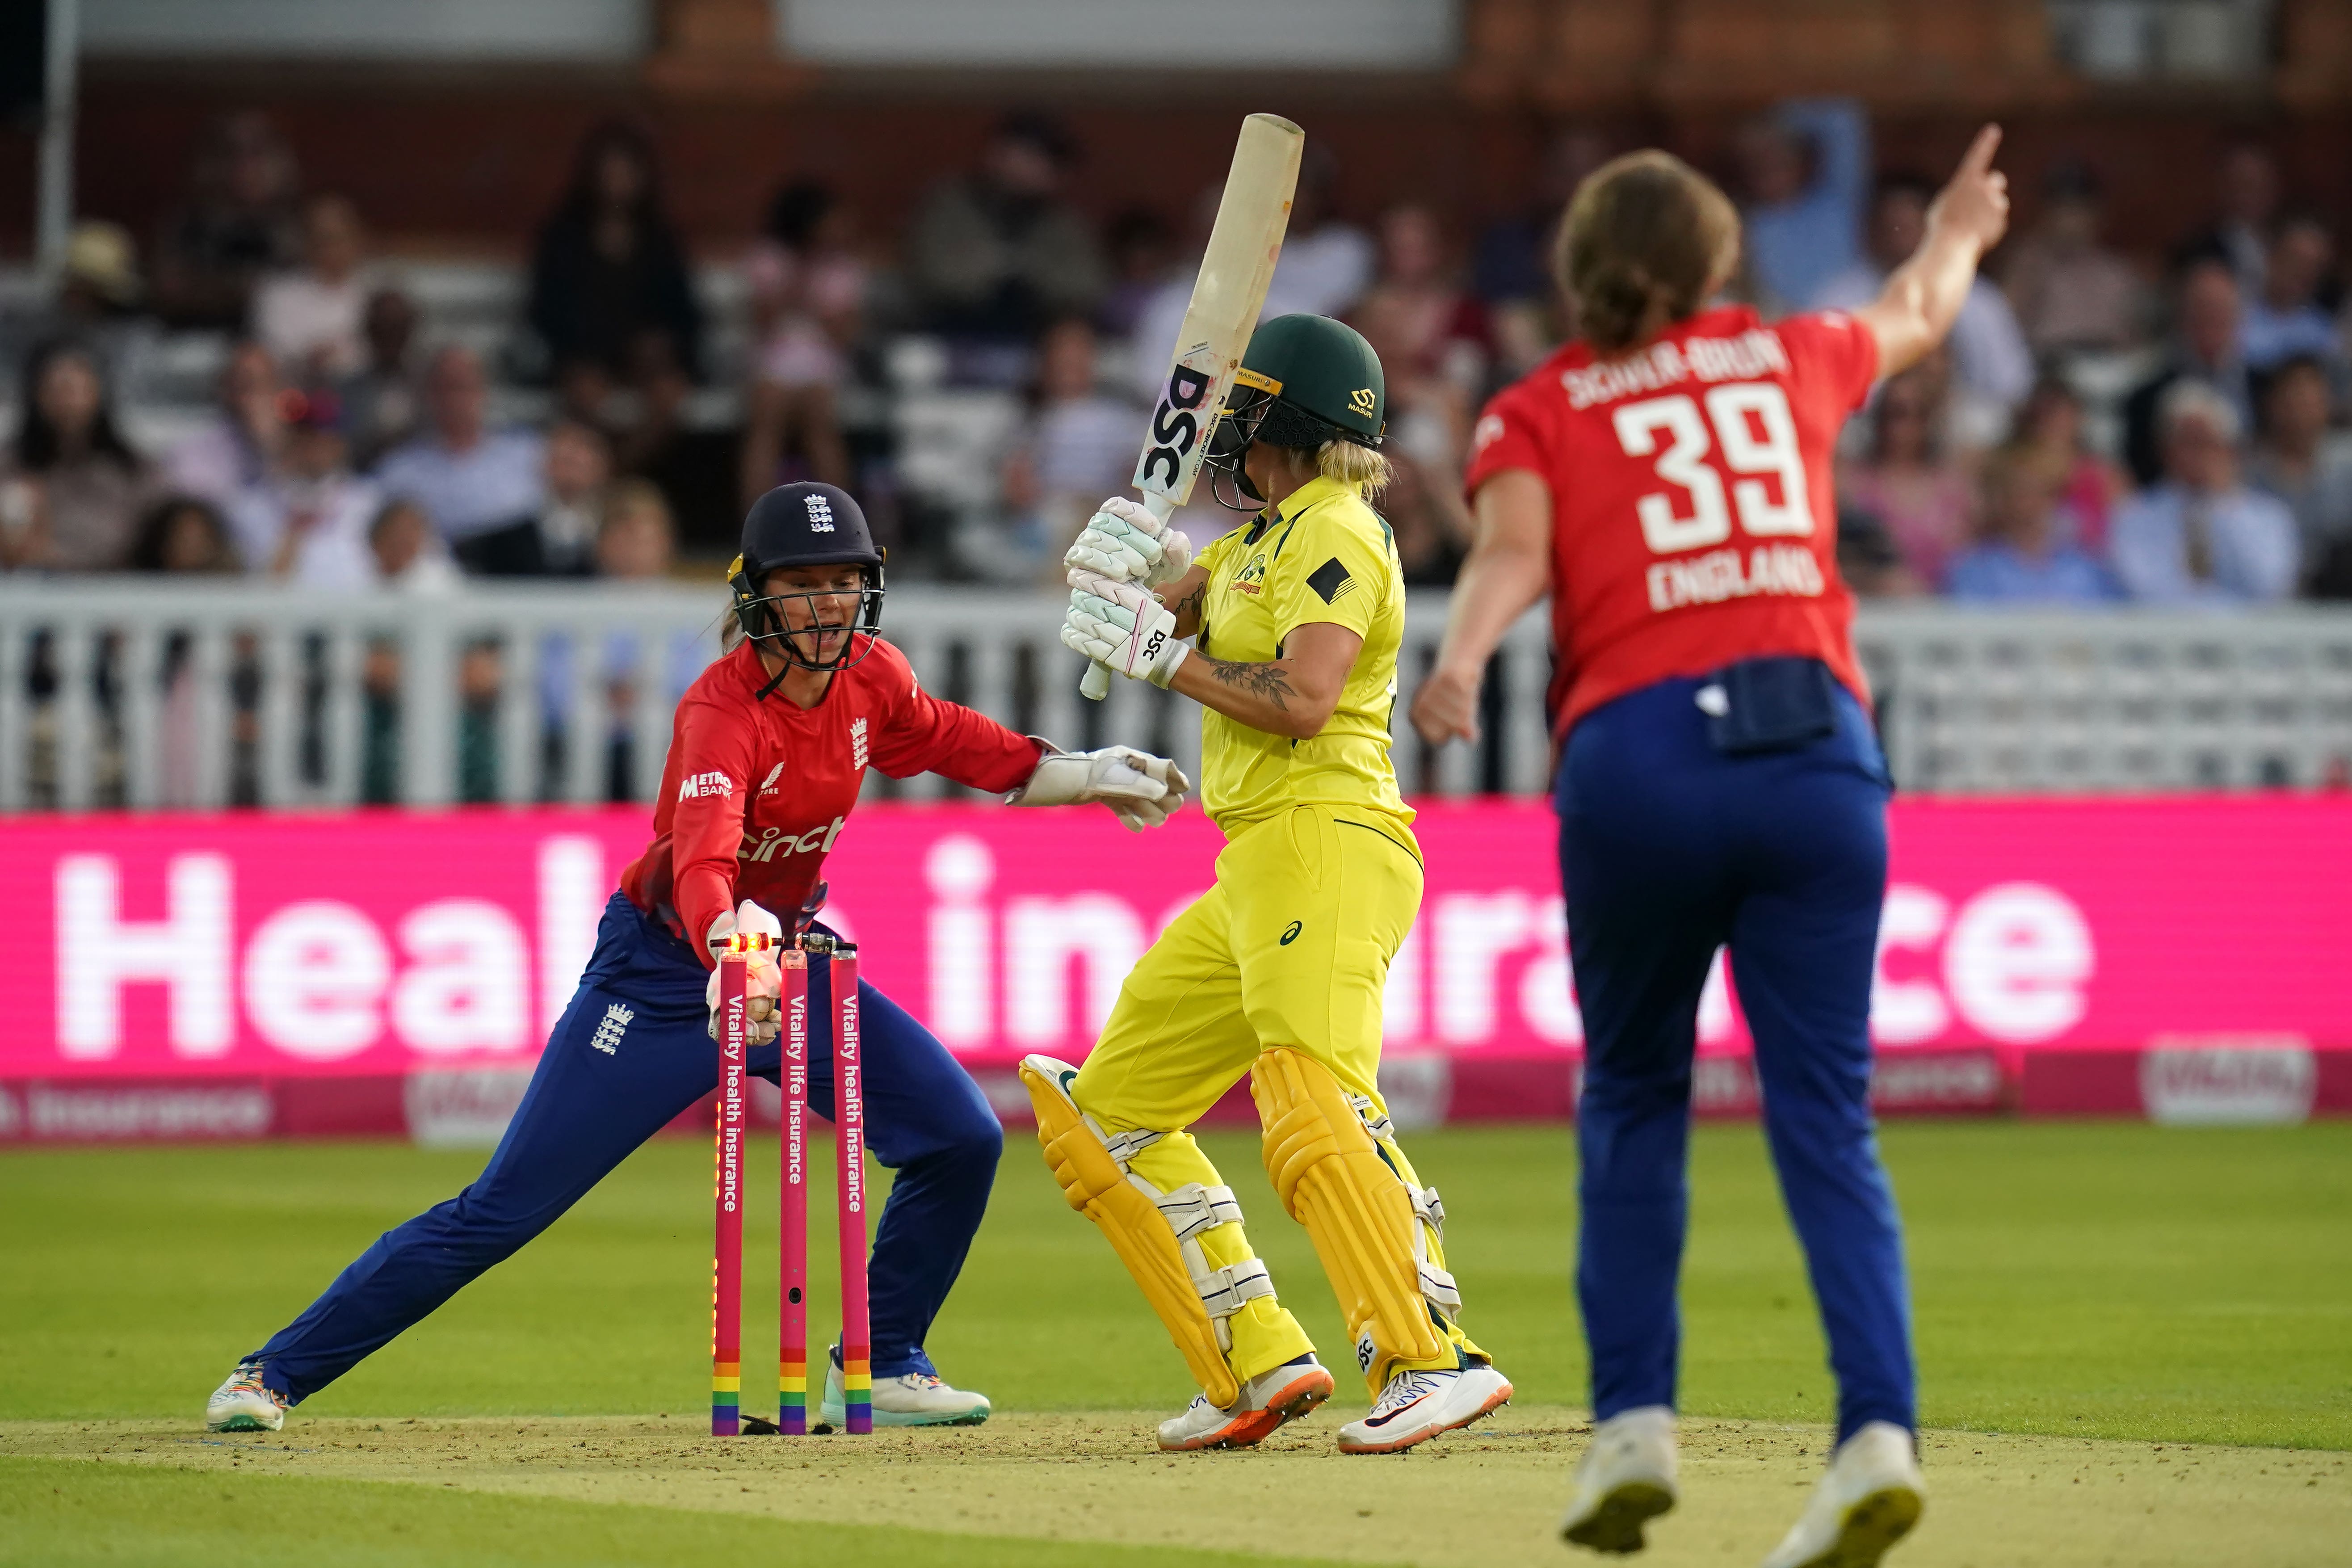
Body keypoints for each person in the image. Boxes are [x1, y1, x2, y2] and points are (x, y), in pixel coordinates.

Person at [206, 481, 1193, 1436]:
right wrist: (732, 949)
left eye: (845, 581)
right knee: (502, 1208)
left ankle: (884, 1359)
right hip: (670, 972)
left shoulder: (872, 674)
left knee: (956, 1135)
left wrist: (1082, 772)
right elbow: (706, 851)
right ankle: (272, 1370)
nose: (828, 604)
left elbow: (942, 737)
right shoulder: (722, 709)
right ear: (756, 595)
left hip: (797, 965)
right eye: (805, 584)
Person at [1412, 128, 2013, 1564]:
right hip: (1813, 750)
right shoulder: (1792, 352)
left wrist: (1458, 660)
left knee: (1630, 1091)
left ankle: (1631, 1428)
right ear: (1718, 264)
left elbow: (1509, 555)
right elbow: (1922, 310)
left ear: (1575, 272)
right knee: (1828, 1113)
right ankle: (1874, 1431)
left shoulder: (1535, 405)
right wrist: (1956, 226)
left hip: (1641, 756)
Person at [1045, 314, 1515, 1457]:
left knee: (1308, 1097)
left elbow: (1302, 702)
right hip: (1253, 859)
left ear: (1284, 423)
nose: (1228, 432)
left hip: (1328, 836)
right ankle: (1256, 1358)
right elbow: (1174, 616)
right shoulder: (1261, 539)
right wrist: (1125, 569)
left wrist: (1160, 651)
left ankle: (1433, 1358)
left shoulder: (1339, 533)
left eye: (1245, 412)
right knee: (1104, 1115)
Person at [1814, 173, 2033, 448]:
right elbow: (1818, 389)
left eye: (1909, 226)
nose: (1900, 236)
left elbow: (2012, 388)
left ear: (1931, 226)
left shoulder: (1979, 298)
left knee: (1984, 423)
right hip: (1869, 428)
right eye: (1892, 226)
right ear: (1870, 229)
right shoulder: (1836, 297)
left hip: (1954, 427)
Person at [904, 111, 1107, 349]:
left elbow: (1088, 286)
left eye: (1050, 163)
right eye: (1029, 157)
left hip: (1035, 345)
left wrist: (1030, 271)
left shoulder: (1062, 222)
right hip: (950, 336)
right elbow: (934, 274)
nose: (1039, 170)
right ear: (997, 153)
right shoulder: (950, 205)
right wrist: (998, 267)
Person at [527, 120, 705, 388]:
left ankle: (644, 433)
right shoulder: (564, 239)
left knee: (667, 390)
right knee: (586, 387)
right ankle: (592, 432)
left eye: (626, 172)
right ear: (592, 176)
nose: (617, 181)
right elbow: (549, 308)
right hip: (583, 354)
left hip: (646, 360)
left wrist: (662, 342)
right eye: (610, 172)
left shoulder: (660, 239)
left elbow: (681, 308)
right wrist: (582, 348)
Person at [2109, 380, 2299, 606]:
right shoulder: (2134, 515)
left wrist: (2223, 506)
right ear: (2166, 450)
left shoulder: (2270, 517)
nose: (2197, 455)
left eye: (2207, 443)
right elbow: (2144, 591)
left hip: (2248, 635)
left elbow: (2269, 586)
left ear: (2230, 450)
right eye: (2187, 442)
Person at [739, 179, 863, 498]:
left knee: (819, 422)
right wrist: (792, 285)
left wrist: (814, 303)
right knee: (767, 420)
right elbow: (760, 322)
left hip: (822, 362)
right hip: (774, 359)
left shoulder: (842, 268)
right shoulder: (769, 259)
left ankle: (839, 521)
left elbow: (845, 335)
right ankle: (755, 521)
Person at [0, 338, 155, 572]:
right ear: (35, 395)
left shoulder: (134, 471)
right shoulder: (10, 466)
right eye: (56, 389)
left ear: (100, 394)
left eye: (77, 389)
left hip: (117, 594)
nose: (67, 402)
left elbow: (159, 545)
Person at [375, 345, 546, 551]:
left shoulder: (527, 455)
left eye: (464, 387)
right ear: (428, 395)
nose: (455, 400)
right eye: (445, 388)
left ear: (484, 391)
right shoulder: (398, 469)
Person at [150, 111, 304, 330]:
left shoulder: (293, 224)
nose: (245, 167)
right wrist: (234, 290)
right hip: (196, 336)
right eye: (232, 154)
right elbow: (170, 289)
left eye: (257, 154)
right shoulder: (188, 225)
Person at [1836, 361, 1975, 588]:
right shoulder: (1852, 485)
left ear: (1927, 421)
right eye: (1890, 414)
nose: (1896, 428)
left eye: (1909, 415)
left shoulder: (1954, 490)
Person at [224, 387, 378, 589]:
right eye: (301, 437)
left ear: (340, 445)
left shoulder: (369, 504)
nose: (311, 449)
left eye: (320, 438)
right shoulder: (248, 509)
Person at [2120, 258, 2251, 487]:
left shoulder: (2264, 388)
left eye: (2222, 309)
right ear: (2183, 316)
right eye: (2204, 308)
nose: (2213, 318)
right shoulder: (2145, 400)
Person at [1733, 97, 1869, 313]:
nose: (1773, 171)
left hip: (1853, 314)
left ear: (1800, 162)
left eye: (1781, 161)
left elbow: (1844, 120)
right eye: (1762, 165)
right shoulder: (1749, 226)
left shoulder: (1834, 202)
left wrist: (1781, 117)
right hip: (1794, 329)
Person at [1999, 161, 2147, 354]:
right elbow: (2002, 327)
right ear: (2044, 213)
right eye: (2063, 210)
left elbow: (2138, 338)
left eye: (2080, 210)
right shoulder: (2027, 264)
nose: (2071, 221)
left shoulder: (2118, 272)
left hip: (2110, 366)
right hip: (2047, 364)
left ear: (2098, 214)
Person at [1943, 445, 2118, 604]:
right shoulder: (1974, 569)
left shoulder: (2087, 568)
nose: (2029, 503)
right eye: (2020, 492)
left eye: (2040, 491)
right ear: (2000, 499)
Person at [2247, 354, 2352, 581]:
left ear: (2327, 404)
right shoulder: (2247, 473)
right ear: (2271, 405)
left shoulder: (2348, 466)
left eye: (2309, 400)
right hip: (2269, 596)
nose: (2299, 411)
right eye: (2292, 399)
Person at [251, 193, 373, 379]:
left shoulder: (379, 291)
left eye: (339, 238)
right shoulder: (277, 295)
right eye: (323, 239)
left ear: (358, 239)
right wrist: (308, 358)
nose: (332, 249)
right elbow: (271, 355)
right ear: (306, 242)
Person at [2010, 375, 2131, 556]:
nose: (2051, 424)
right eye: (2041, 417)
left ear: (2078, 419)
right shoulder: (2013, 475)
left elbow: (2125, 533)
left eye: (2059, 415)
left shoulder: (2104, 475)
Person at [164, 341, 286, 513]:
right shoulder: (195, 446)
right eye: (239, 382)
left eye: (260, 382)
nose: (248, 394)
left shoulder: (297, 434)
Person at [2238, 213, 2340, 372]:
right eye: (2294, 259)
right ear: (2272, 257)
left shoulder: (2322, 333)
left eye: (2312, 266)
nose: (2301, 271)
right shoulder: (2237, 313)